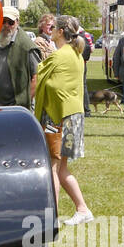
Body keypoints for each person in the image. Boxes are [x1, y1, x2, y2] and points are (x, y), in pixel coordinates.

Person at [33, 14, 94, 225]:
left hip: (57, 118)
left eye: (53, 28)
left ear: (60, 32)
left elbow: (42, 80)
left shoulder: (60, 56)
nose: (49, 30)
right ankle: (82, 209)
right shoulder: (76, 54)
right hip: (71, 116)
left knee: (52, 167)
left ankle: (52, 218)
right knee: (61, 168)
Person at [0, 5, 42, 108]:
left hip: (14, 108)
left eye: (11, 22)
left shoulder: (26, 47)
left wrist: (23, 103)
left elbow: (37, 77)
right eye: (3, 21)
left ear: (17, 22)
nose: (6, 25)